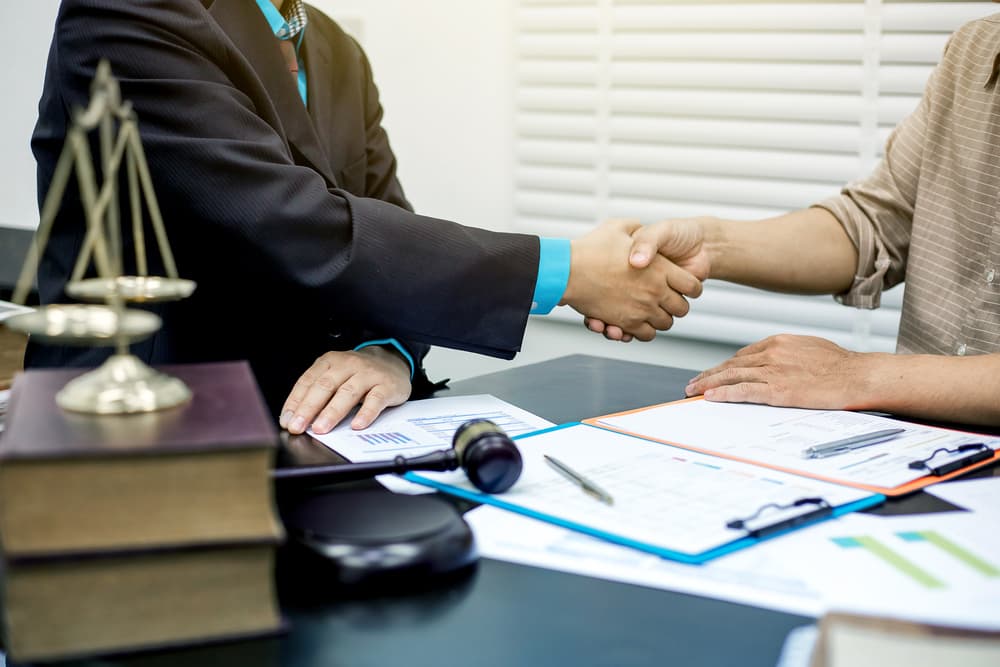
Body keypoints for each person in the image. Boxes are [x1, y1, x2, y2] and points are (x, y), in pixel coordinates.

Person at [28, 0, 702, 432]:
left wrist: (392, 351)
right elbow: (288, 224)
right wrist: (565, 270)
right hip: (142, 425)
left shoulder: (333, 47)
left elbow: (388, 226)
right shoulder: (127, 12)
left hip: (321, 431)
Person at [590, 13, 1000, 427]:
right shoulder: (974, 50)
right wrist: (711, 246)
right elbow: (877, 224)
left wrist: (858, 375)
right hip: (917, 447)